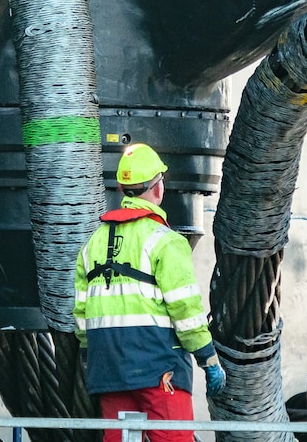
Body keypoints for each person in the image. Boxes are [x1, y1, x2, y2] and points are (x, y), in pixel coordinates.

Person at [74, 143, 226, 442]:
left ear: (122, 189)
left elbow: (81, 315)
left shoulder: (92, 244)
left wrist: (92, 354)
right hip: (159, 371)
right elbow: (186, 311)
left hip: (109, 371)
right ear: (158, 188)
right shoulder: (166, 241)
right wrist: (208, 360)